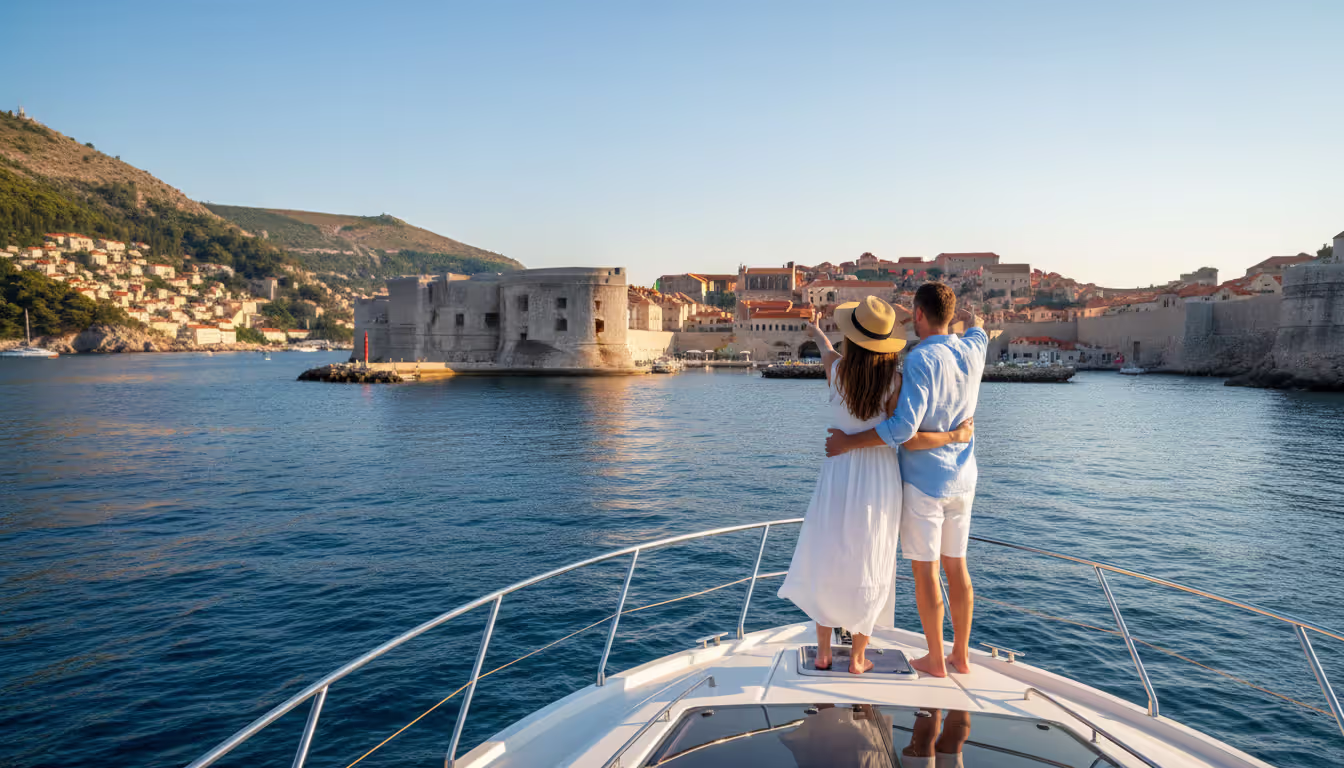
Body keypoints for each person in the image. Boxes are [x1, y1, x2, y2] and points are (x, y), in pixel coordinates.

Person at [779, 296, 974, 675]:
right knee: (871, 557)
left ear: (852, 339)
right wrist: (955, 435)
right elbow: (902, 432)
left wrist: (817, 331)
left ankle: (822, 652)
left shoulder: (835, 371)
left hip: (838, 470)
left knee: (828, 552)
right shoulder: (896, 381)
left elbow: (825, 347)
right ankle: (857, 656)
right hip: (881, 478)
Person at [825, 283, 987, 678]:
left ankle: (935, 658)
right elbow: (976, 321)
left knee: (926, 571)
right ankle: (961, 656)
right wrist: (950, 315)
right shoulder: (975, 347)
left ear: (916, 315)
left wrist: (848, 442)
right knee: (957, 568)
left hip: (923, 482)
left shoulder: (919, 359)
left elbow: (901, 430)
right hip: (964, 479)